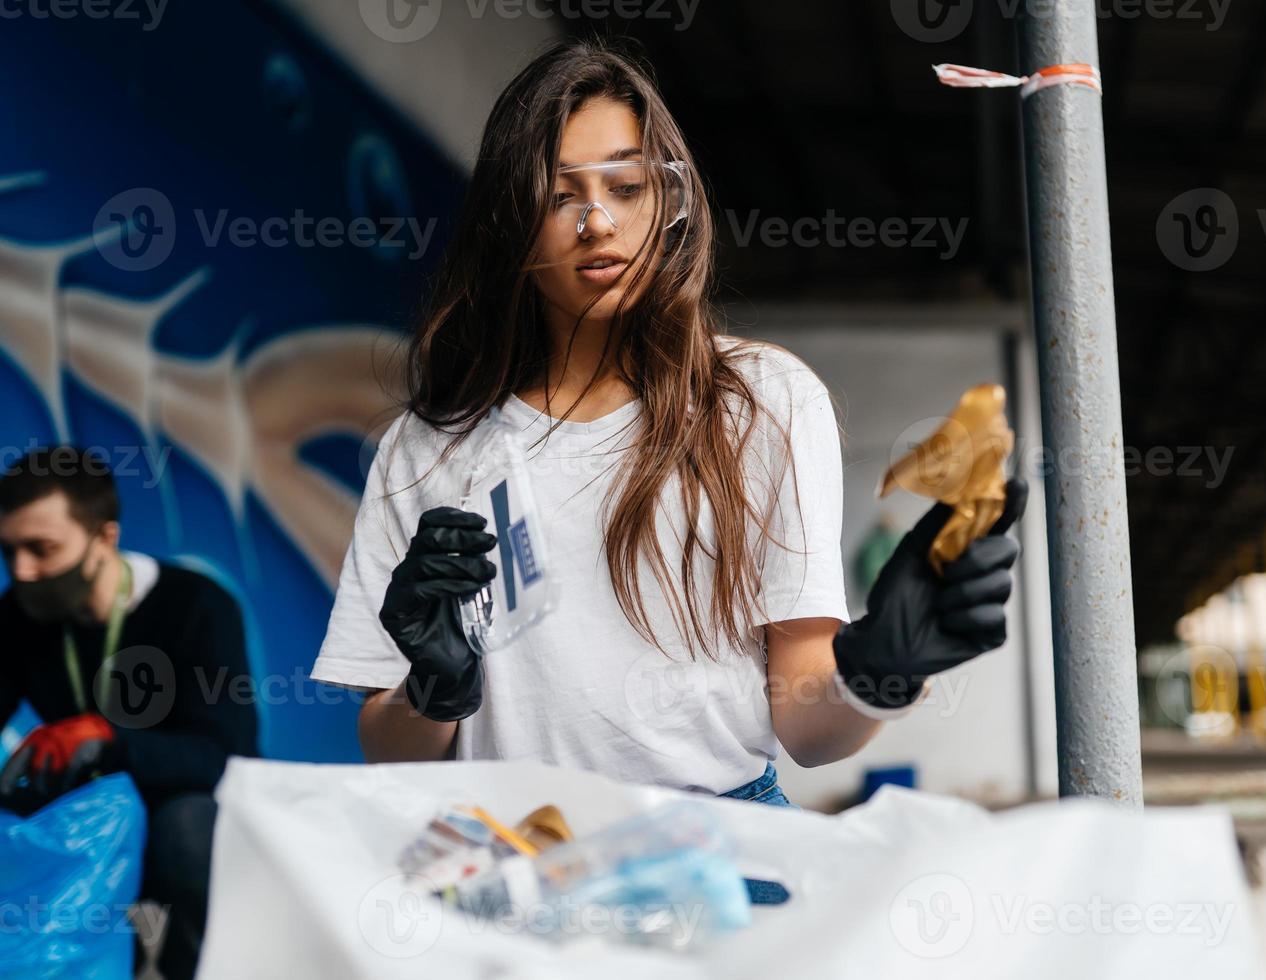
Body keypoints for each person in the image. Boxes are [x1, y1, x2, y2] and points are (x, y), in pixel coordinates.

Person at [311, 37, 1025, 808]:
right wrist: (433, 689)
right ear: (508, 225)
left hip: (723, 844)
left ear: (670, 204)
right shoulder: (425, 451)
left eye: (625, 186)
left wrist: (881, 667)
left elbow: (806, 729)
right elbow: (390, 752)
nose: (597, 221)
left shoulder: (763, 401)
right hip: (515, 849)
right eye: (559, 196)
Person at [0, 446, 258, 980]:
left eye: (41, 549)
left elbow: (224, 755)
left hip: (177, 804)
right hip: (85, 807)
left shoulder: (195, 604)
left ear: (105, 539)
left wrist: (107, 736)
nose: (22, 571)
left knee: (187, 832)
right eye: (9, 551)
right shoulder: (19, 615)